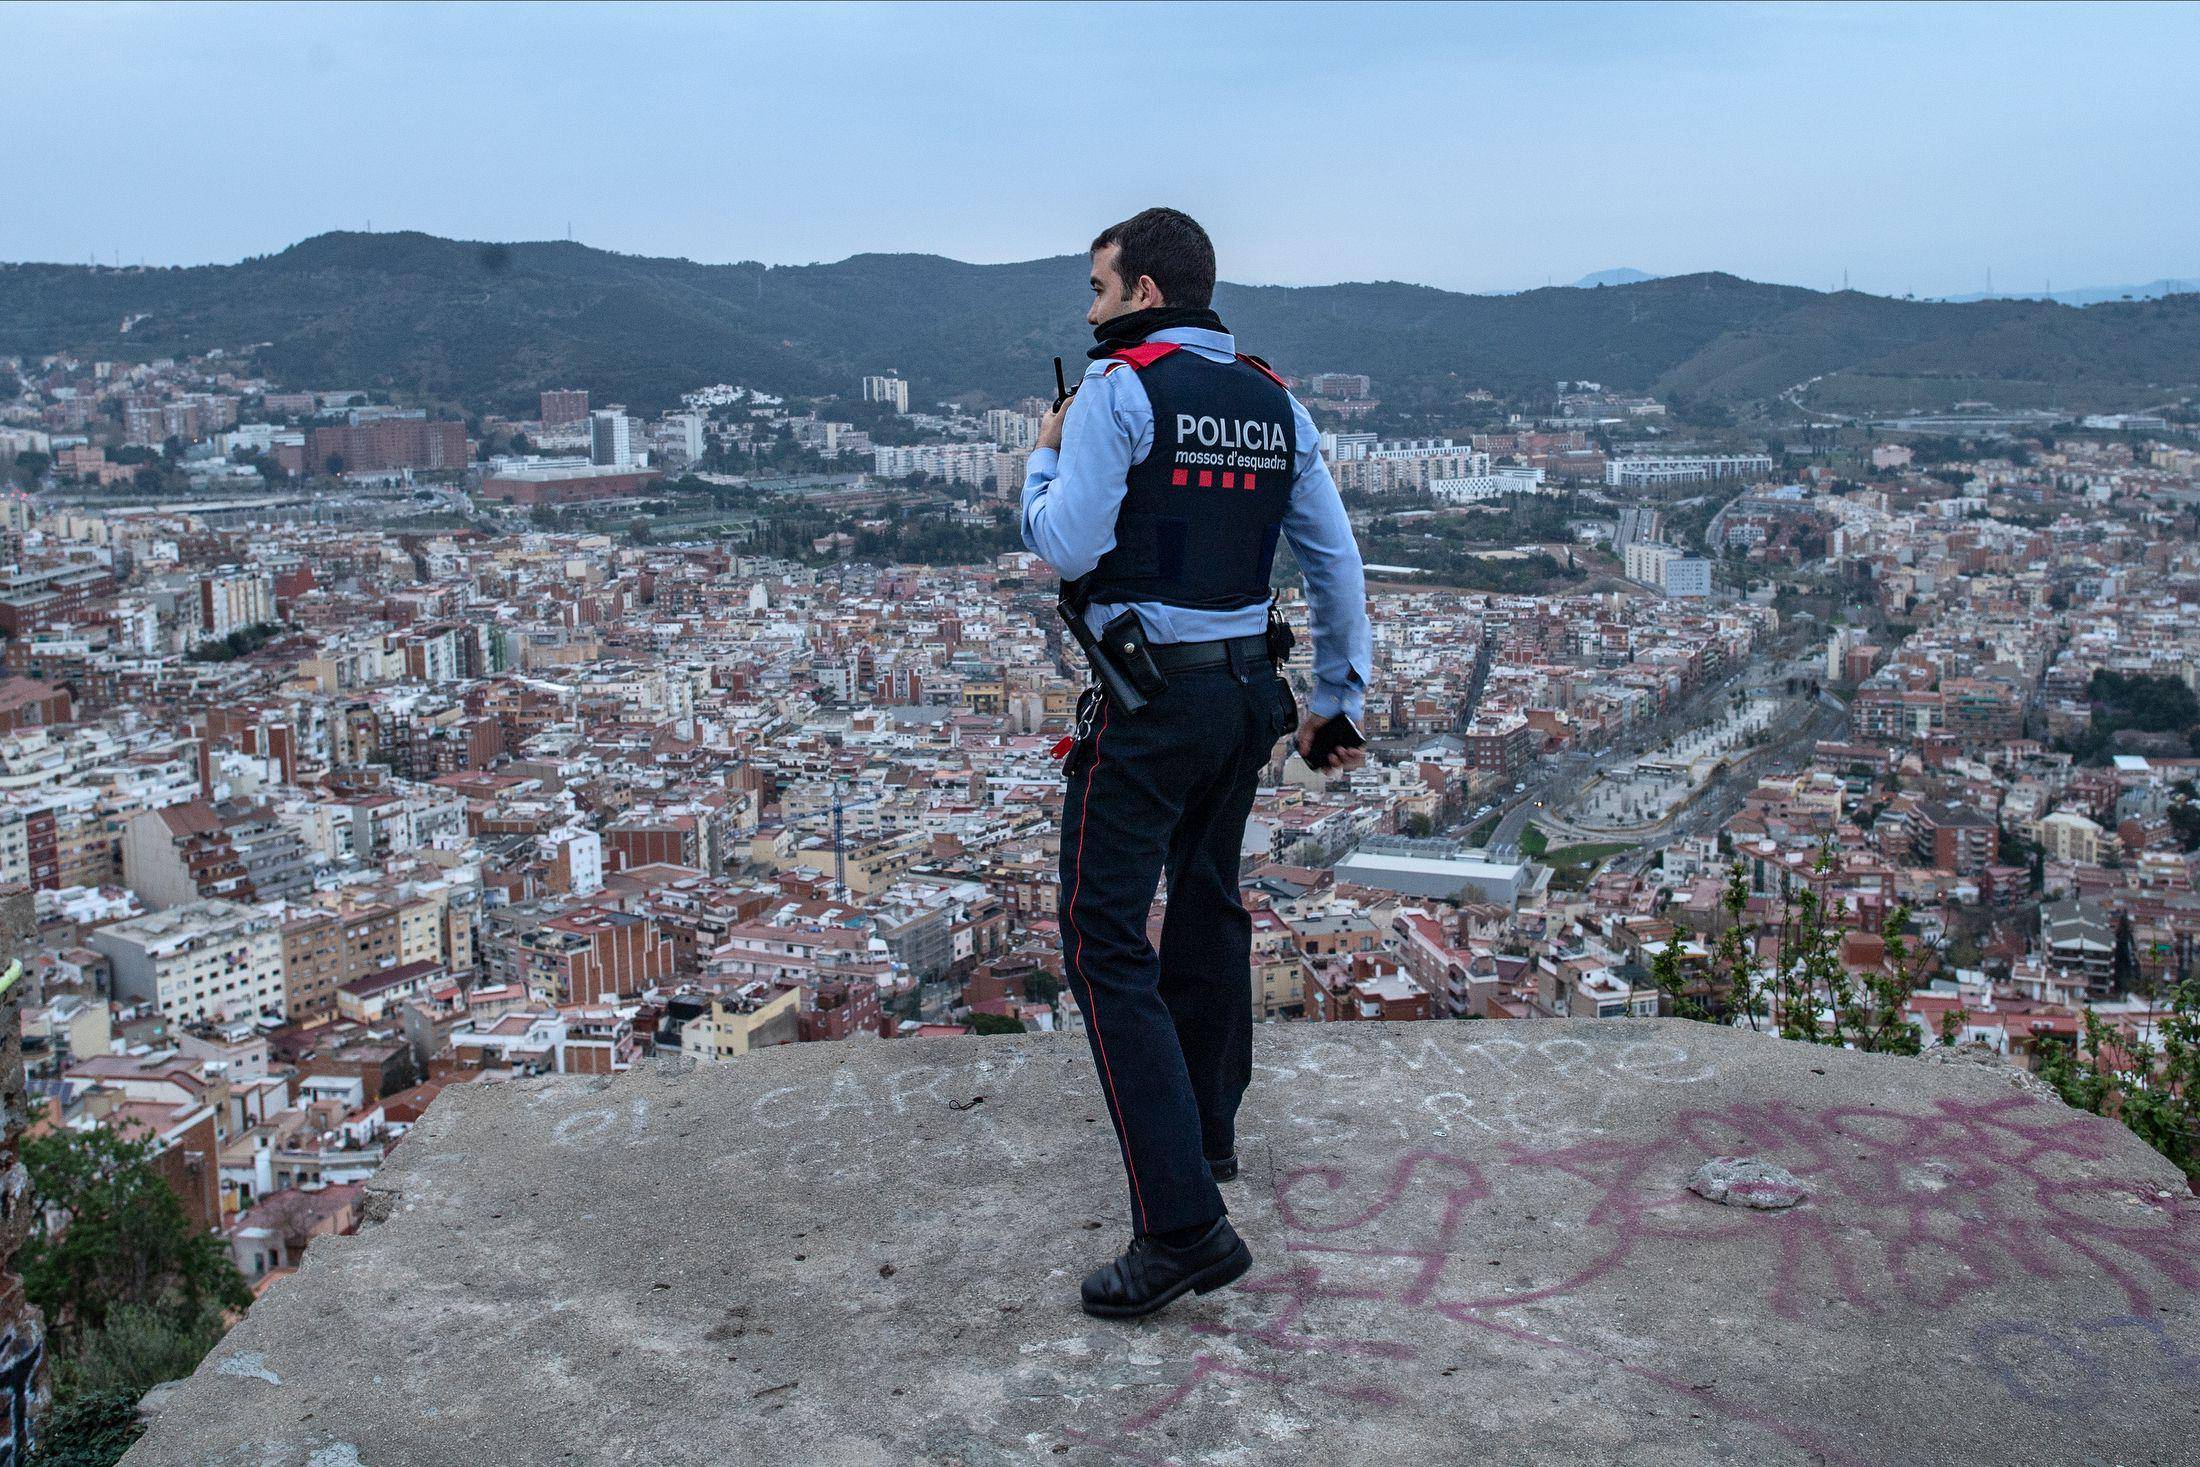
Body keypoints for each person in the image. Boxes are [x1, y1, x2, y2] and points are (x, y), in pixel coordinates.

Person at [1021, 207, 1371, 1319]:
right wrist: (1333, 701)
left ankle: (1180, 1226)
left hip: (1154, 699)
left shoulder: (1118, 392)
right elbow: (1333, 563)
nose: (1086, 310)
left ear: (1144, 294)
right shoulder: (1277, 402)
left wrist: (1040, 455)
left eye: (1096, 288)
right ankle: (1209, 1136)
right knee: (1212, 901)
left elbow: (1065, 547)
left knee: (1100, 936)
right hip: (1244, 698)